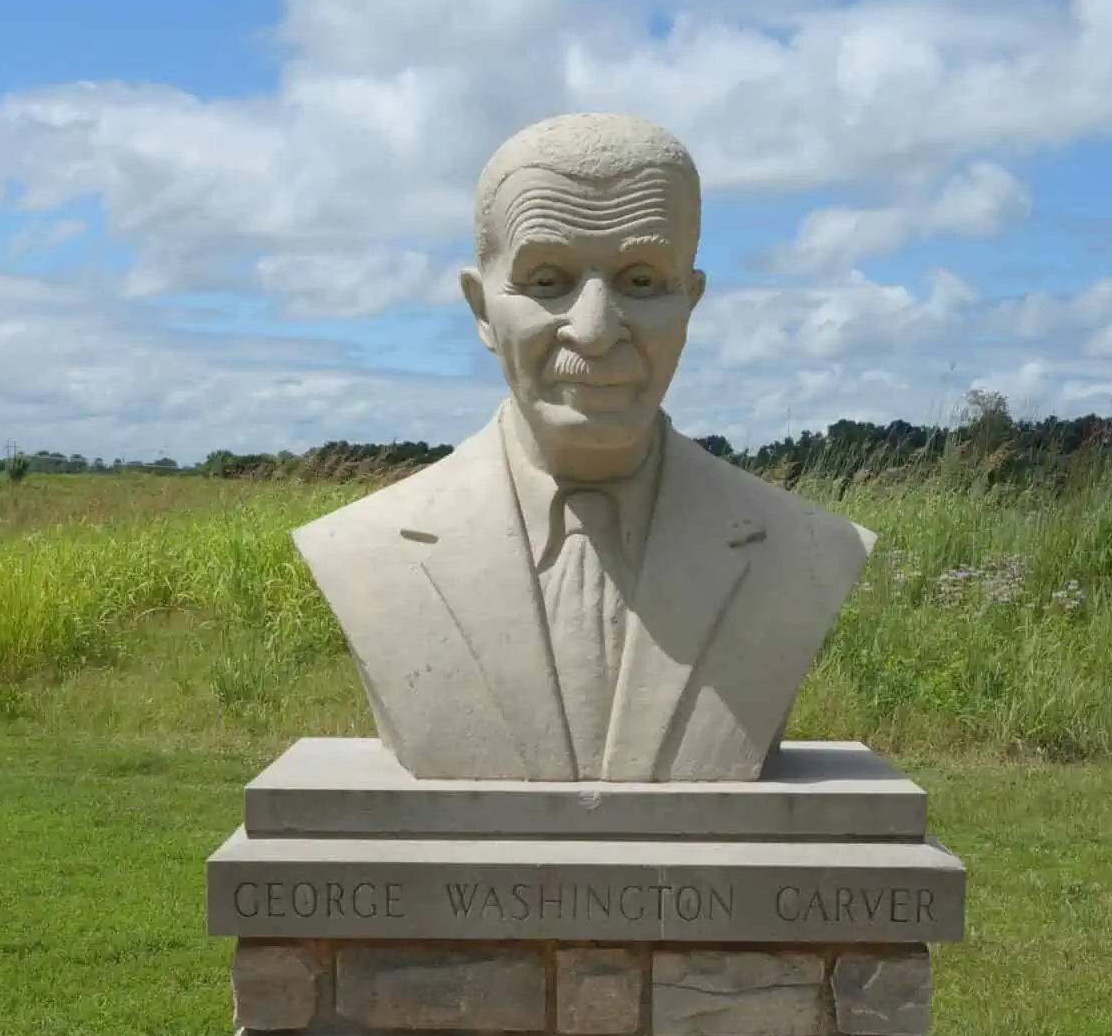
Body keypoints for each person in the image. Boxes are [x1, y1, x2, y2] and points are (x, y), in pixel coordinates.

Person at [293, 113, 875, 782]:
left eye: (641, 280)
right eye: (547, 281)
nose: (595, 331)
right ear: (482, 310)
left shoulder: (801, 550)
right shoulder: (368, 550)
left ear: (690, 299)